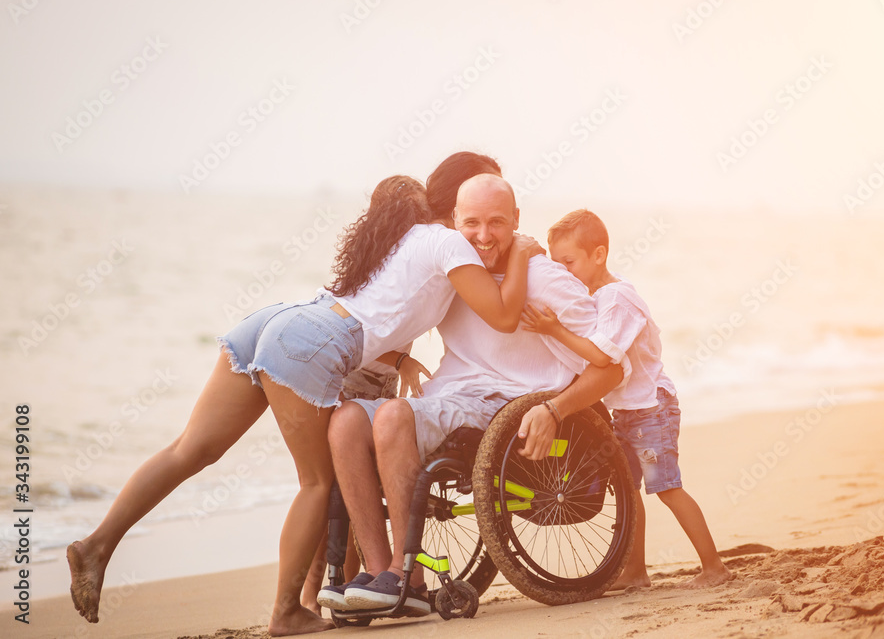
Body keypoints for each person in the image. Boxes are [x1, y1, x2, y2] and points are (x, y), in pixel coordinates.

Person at [66, 174, 541, 636]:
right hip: (309, 344)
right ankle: (288, 611)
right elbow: (500, 313)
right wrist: (519, 250)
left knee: (189, 449)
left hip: (277, 321)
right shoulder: (443, 241)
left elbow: (379, 309)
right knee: (318, 483)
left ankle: (97, 544)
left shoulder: (388, 246)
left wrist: (402, 358)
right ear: (450, 209)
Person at [322, 174, 625, 615]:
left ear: (517, 220)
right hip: (452, 398)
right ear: (453, 223)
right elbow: (386, 319)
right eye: (472, 224)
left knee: (390, 417)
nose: (484, 236)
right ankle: (379, 572)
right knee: (347, 419)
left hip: (507, 406)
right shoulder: (453, 274)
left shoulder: (546, 280)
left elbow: (611, 367)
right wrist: (400, 361)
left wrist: (555, 409)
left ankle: (410, 579)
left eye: (497, 223)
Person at [522, 209, 732, 589]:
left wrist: (553, 328)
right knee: (627, 489)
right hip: (628, 413)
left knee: (667, 487)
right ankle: (635, 572)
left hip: (652, 410)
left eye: (568, 262)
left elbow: (603, 357)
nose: (563, 272)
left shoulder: (617, 298)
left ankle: (714, 566)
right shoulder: (599, 297)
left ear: (598, 255)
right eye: (556, 265)